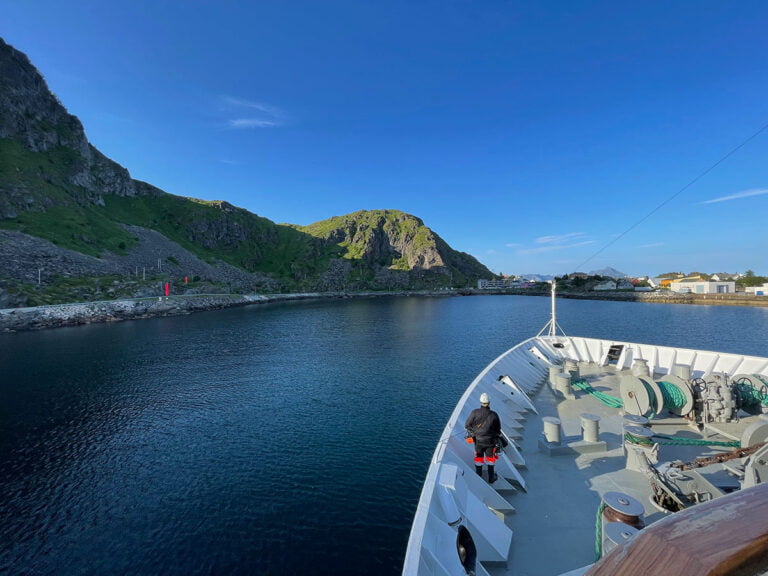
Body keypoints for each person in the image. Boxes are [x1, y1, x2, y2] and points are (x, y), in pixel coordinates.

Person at [464, 392, 502, 483]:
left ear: (480, 402)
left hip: (478, 441)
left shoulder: (474, 412)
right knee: (490, 459)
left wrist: (475, 432)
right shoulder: (494, 415)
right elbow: (498, 429)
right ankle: (491, 478)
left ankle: (478, 476)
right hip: (490, 442)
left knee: (479, 458)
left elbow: (467, 425)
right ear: (489, 402)